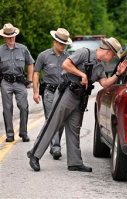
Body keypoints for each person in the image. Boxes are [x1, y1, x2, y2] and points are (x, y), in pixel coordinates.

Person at [27, 37, 127, 172]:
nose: (112, 59)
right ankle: (35, 155)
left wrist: (117, 74)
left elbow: (105, 84)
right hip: (67, 93)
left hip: (79, 99)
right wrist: (82, 74)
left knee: (74, 129)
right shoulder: (84, 53)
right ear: (108, 52)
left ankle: (75, 162)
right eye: (113, 55)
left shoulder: (99, 67)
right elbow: (65, 64)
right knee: (53, 123)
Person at [33, 28, 72, 160]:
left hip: (62, 92)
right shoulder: (43, 56)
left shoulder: (68, 58)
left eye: (65, 44)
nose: (63, 46)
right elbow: (36, 72)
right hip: (49, 92)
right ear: (54, 41)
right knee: (51, 118)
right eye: (61, 43)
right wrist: (35, 92)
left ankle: (54, 144)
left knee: (60, 120)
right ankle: (55, 146)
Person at [0, 23, 34, 142]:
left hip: (20, 82)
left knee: (24, 107)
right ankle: (10, 134)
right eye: (9, 37)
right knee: (7, 108)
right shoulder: (0, 50)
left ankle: (23, 133)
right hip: (5, 82)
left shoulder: (23, 49)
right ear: (4, 37)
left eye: (13, 36)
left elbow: (30, 63)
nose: (11, 39)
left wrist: (29, 79)